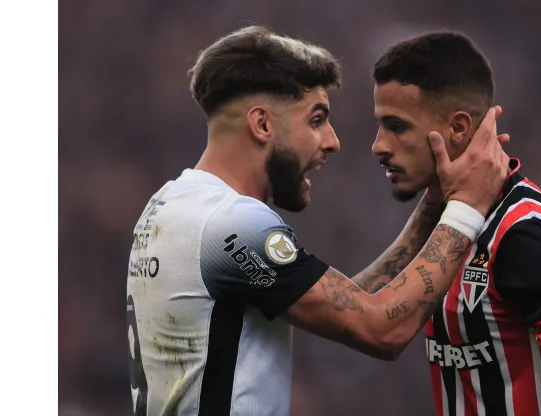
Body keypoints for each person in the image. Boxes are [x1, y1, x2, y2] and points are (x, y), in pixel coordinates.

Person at [125, 26, 511, 416]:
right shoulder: (234, 224)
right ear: (262, 125)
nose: (332, 140)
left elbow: (350, 305)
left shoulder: (168, 206)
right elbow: (381, 329)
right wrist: (466, 206)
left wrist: (434, 205)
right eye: (316, 120)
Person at [359, 31, 541, 416]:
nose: (379, 145)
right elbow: (363, 313)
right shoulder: (447, 228)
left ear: (459, 127)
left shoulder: (527, 233)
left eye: (397, 126)